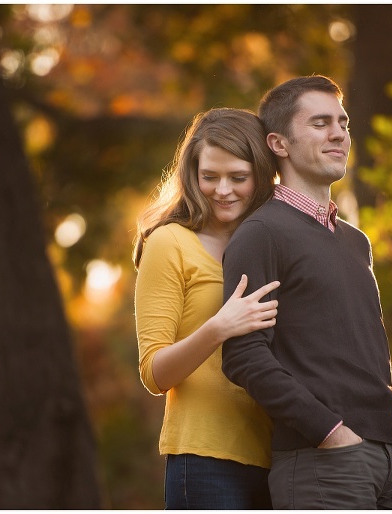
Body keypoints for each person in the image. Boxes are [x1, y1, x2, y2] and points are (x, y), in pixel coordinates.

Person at [221, 75, 392, 509]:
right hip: (321, 462)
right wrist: (329, 432)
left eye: (342, 122)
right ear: (279, 144)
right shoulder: (262, 233)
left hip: (384, 457)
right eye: (320, 123)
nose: (339, 132)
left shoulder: (355, 241)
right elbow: (244, 354)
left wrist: (378, 443)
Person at [133, 107, 281, 509]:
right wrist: (218, 327)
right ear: (192, 176)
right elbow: (154, 372)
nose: (223, 190)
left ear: (262, 175)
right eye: (209, 177)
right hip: (205, 460)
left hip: (282, 458)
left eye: (238, 177)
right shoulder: (171, 244)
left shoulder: (274, 244)